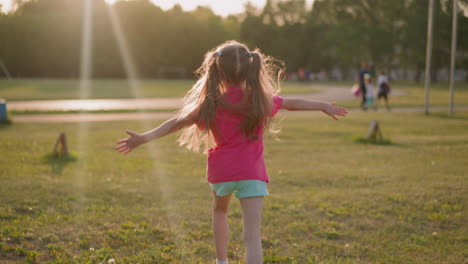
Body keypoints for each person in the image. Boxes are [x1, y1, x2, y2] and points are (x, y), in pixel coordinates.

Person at [115, 41, 348, 264]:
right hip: (252, 173)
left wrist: (143, 139)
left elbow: (175, 123)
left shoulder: (210, 104)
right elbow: (292, 103)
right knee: (252, 236)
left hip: (222, 172)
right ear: (250, 69)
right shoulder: (259, 101)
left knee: (219, 211)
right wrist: (323, 105)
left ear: (217, 70)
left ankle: (221, 261)